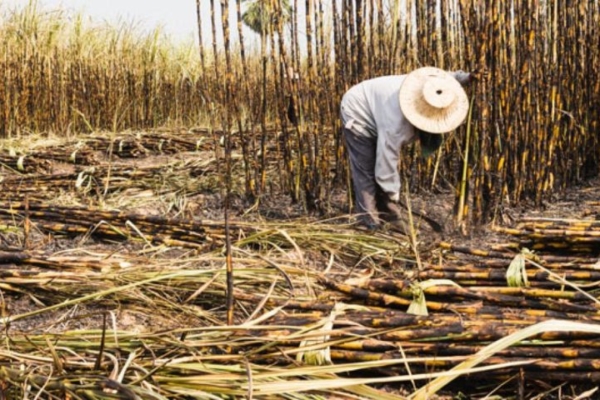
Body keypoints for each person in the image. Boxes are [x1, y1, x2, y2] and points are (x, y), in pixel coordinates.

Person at [340, 67, 473, 230]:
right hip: (357, 110)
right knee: (366, 168)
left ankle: (389, 216)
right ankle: (368, 220)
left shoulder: (429, 86)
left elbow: (448, 80)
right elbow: (386, 163)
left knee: (381, 175)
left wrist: (467, 77)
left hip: (379, 106)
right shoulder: (397, 124)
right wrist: (393, 193)